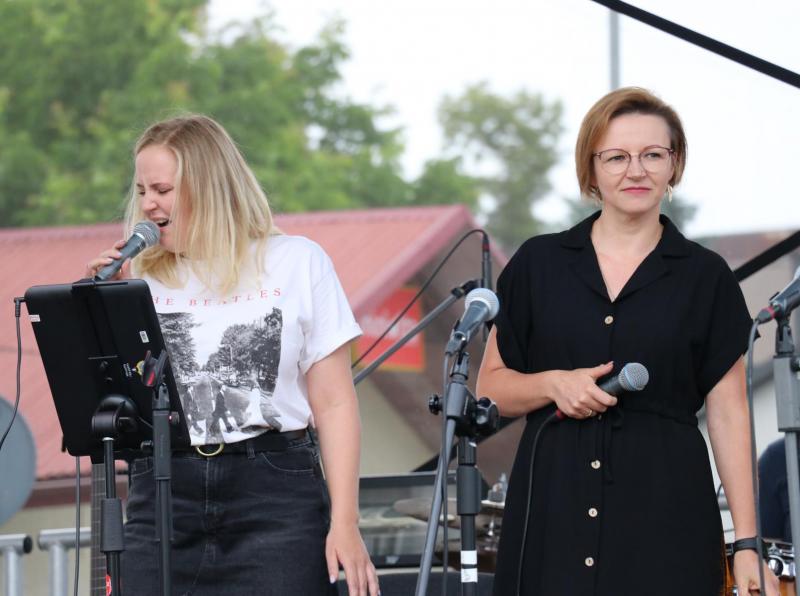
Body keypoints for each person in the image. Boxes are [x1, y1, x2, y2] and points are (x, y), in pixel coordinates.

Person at [476, 87, 779, 595]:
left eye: (652, 155)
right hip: (552, 514)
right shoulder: (539, 264)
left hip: (667, 517)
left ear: (674, 164)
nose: (635, 171)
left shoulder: (706, 276)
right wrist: (553, 384)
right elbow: (490, 388)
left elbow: (729, 414)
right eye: (616, 157)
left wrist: (747, 544)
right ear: (591, 168)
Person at [85, 114, 379, 595]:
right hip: (163, 493)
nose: (148, 204)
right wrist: (104, 311)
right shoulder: (138, 278)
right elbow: (116, 406)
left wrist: (345, 523)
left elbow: (335, 403)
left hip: (273, 493)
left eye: (162, 189)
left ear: (209, 186)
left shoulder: (296, 261)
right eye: (141, 191)